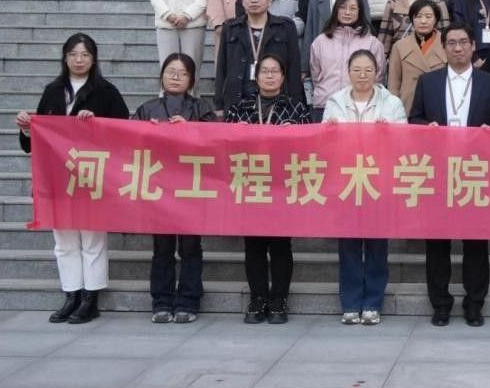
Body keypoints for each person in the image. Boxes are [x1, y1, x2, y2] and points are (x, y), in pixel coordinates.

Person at [15, 33, 129, 324]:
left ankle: (91, 298)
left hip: (92, 176)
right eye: (73, 54)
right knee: (63, 240)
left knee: (92, 239)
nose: (79, 60)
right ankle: (71, 294)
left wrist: (97, 123)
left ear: (94, 59)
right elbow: (34, 143)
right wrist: (27, 128)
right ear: (65, 58)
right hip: (57, 176)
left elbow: (124, 133)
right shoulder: (52, 91)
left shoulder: (106, 92)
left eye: (85, 55)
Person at [409, 23, 490, 327]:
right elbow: (414, 119)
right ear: (444, 48)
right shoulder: (428, 81)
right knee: (437, 243)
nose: (457, 48)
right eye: (451, 43)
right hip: (438, 171)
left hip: (475, 171)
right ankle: (440, 303)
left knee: (476, 242)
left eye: (463, 42)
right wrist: (426, 128)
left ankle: (474, 303)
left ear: (473, 46)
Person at [322, 50, 407, 326]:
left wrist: (389, 132)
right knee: (348, 245)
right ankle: (350, 303)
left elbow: (405, 141)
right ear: (348, 72)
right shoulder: (335, 101)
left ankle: (372, 303)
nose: (362, 75)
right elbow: (323, 144)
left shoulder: (391, 103)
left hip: (378, 183)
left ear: (377, 73)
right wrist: (329, 130)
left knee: (376, 246)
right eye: (356, 70)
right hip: (346, 183)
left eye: (368, 70)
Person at [226, 53, 310, 324]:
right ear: (256, 76)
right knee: (253, 245)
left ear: (283, 77)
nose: (270, 76)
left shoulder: (296, 108)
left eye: (275, 71)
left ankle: (279, 299)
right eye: (265, 71)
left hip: (283, 185)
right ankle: (258, 298)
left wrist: (294, 135)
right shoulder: (240, 108)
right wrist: (235, 133)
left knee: (281, 245)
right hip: (251, 183)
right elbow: (223, 144)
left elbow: (311, 145)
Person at [134, 53, 216, 324]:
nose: (176, 77)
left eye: (182, 73)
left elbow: (217, 141)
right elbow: (128, 142)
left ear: (191, 79)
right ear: (162, 76)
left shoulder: (202, 108)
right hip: (160, 187)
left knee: (191, 246)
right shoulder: (147, 109)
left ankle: (189, 300)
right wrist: (146, 132)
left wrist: (190, 129)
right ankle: (161, 301)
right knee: (163, 246)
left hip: (192, 187)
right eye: (171, 72)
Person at [214, 0, 305, 115]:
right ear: (242, 1)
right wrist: (219, 105)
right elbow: (222, 68)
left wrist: (295, 103)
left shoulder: (285, 27)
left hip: (276, 103)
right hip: (237, 101)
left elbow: (293, 68)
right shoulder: (231, 28)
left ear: (269, 0)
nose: (254, 0)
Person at [309, 0, 385, 121]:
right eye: (342, 7)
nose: (347, 12)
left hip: (360, 107)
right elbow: (316, 75)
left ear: (360, 11)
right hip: (324, 104)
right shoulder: (320, 41)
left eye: (353, 8)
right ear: (335, 10)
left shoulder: (373, 43)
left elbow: (378, 76)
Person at [302, 0, 361, 79]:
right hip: (324, 62)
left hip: (353, 61)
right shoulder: (316, 0)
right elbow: (309, 33)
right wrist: (304, 68)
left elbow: (365, 30)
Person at [387, 0, 447, 114]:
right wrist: (394, 110)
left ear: (436, 19)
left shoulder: (446, 44)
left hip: (439, 105)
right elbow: (393, 84)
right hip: (408, 106)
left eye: (428, 16)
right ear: (412, 19)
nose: (423, 21)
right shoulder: (399, 46)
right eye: (418, 16)